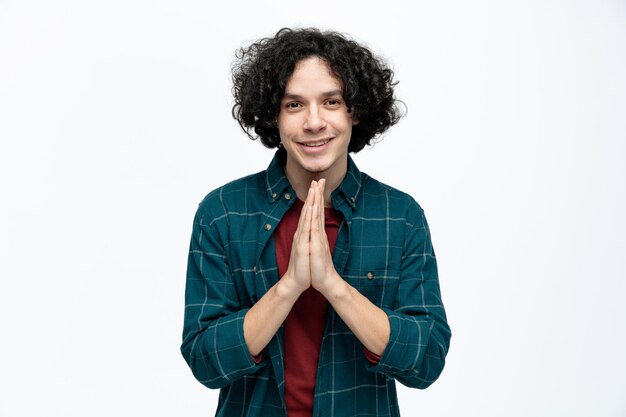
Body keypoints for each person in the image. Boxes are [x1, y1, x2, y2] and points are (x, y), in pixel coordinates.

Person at [181, 27, 451, 417]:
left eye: (331, 102)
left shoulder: (400, 215)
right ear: (273, 114)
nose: (313, 122)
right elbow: (205, 361)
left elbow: (426, 360)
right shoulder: (222, 211)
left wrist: (333, 286)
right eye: (294, 105)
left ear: (354, 111)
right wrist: (288, 287)